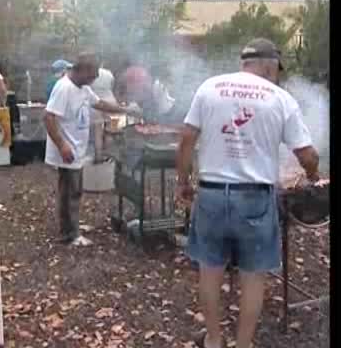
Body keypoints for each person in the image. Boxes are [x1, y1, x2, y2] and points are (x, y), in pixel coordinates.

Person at [175, 38, 320, 348]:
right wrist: (312, 175)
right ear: (269, 65)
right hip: (254, 199)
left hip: (211, 195)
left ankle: (214, 340)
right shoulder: (280, 98)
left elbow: (187, 139)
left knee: (210, 271)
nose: (277, 75)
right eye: (276, 70)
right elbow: (307, 155)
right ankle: (243, 345)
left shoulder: (209, 87)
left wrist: (183, 181)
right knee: (253, 277)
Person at [44, 52, 141, 246]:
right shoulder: (64, 88)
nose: (94, 78)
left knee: (74, 189)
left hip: (76, 147)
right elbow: (48, 117)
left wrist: (126, 110)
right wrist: (62, 145)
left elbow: (100, 104)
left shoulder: (83, 87)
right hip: (67, 148)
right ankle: (69, 235)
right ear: (83, 70)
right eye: (93, 74)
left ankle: (72, 226)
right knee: (70, 191)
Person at [89, 66, 116, 162]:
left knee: (98, 132)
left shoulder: (90, 73)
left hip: (96, 103)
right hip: (110, 102)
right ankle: (107, 154)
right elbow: (112, 86)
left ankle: (98, 156)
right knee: (109, 131)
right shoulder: (108, 72)